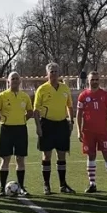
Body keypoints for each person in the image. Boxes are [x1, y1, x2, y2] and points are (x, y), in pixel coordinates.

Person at [76, 71, 107, 194]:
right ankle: (92, 184)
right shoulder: (83, 95)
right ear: (88, 81)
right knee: (91, 156)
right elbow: (79, 114)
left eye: (97, 79)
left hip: (103, 132)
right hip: (88, 132)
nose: (95, 82)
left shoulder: (105, 95)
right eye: (93, 80)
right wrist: (78, 131)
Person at [34, 62, 76, 194]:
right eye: (51, 71)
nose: (54, 74)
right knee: (46, 155)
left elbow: (69, 106)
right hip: (47, 124)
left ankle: (63, 185)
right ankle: (46, 185)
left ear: (59, 73)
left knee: (62, 154)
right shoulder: (42, 89)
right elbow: (35, 110)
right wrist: (38, 127)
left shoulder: (64, 88)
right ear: (47, 74)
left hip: (62, 124)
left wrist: (71, 121)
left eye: (56, 71)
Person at [0, 71, 33, 197]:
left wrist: (21, 121)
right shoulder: (2, 96)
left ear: (20, 81)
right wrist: (4, 122)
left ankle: (21, 187)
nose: (15, 81)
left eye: (17, 79)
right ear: (8, 81)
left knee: (20, 159)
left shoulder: (25, 96)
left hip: (21, 130)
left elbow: (30, 112)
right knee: (5, 159)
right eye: (12, 79)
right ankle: (1, 188)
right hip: (6, 130)